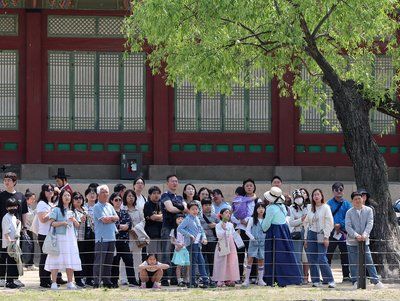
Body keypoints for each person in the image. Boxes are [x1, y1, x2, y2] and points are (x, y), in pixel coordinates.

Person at [262, 187, 302, 287]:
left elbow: (265, 226)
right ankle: (287, 278)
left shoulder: (270, 208)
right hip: (284, 232)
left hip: (274, 232)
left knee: (273, 256)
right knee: (284, 255)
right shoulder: (283, 207)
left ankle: (272, 279)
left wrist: (262, 225)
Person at [345, 191, 384, 289]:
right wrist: (356, 235)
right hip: (352, 241)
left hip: (364, 240)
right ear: (352, 201)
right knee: (353, 262)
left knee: (369, 261)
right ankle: (355, 281)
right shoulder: (349, 212)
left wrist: (365, 235)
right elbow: (348, 226)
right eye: (355, 199)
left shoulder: (369, 210)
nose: (358, 201)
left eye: (359, 198)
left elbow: (370, 223)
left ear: (362, 199)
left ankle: (375, 281)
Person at [44, 190, 81, 290]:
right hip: (59, 238)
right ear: (61, 197)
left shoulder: (73, 211)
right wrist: (62, 223)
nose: (67, 197)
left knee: (70, 259)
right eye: (65, 195)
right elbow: (51, 223)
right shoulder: (56, 210)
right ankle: (54, 282)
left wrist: (73, 220)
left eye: (69, 195)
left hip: (71, 238)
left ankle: (70, 282)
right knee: (55, 259)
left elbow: (78, 225)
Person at [0, 172, 28, 287]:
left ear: (14, 182)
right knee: (2, 254)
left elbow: (24, 213)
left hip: (16, 232)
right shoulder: (1, 196)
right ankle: (1, 278)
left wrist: (24, 227)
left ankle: (13, 279)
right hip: (2, 231)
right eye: (5, 180)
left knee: (15, 254)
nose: (6, 182)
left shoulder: (21, 196)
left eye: (9, 180)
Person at [303, 188, 335, 288]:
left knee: (322, 258)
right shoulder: (310, 208)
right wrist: (305, 238)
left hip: (322, 234)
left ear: (321, 196)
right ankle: (315, 280)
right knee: (312, 258)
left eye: (318, 194)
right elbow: (306, 223)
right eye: (314, 195)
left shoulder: (326, 207)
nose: (316, 196)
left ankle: (330, 280)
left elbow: (329, 223)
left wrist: (326, 237)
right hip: (311, 234)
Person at [159, 175, 186, 286]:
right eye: (172, 181)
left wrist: (176, 206)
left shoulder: (179, 197)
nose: (175, 183)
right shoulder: (165, 195)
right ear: (167, 183)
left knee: (177, 253)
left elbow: (185, 209)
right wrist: (179, 207)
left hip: (178, 230)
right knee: (166, 253)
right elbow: (170, 209)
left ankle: (175, 278)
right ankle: (165, 278)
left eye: (176, 181)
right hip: (167, 228)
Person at [92, 185, 119, 288]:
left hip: (112, 237)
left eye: (107, 192)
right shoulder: (97, 206)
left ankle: (107, 280)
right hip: (101, 238)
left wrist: (111, 218)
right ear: (98, 194)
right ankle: (96, 281)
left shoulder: (110, 206)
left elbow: (117, 217)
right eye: (103, 192)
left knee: (109, 260)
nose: (105, 194)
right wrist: (112, 218)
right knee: (100, 260)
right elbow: (104, 220)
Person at [177, 202, 209, 288]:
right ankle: (193, 282)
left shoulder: (197, 218)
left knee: (201, 261)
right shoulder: (187, 219)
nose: (195, 211)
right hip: (191, 244)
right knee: (194, 263)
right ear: (188, 210)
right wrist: (189, 235)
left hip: (198, 243)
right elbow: (179, 228)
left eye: (196, 209)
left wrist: (204, 238)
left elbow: (201, 230)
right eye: (192, 209)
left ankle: (204, 280)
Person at [110, 192, 138, 287]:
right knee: (115, 262)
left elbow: (129, 224)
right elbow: (111, 225)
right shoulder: (110, 212)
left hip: (124, 241)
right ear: (112, 201)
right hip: (114, 241)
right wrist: (121, 226)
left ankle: (132, 281)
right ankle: (114, 282)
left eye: (120, 200)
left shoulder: (124, 212)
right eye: (116, 200)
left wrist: (124, 226)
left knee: (129, 260)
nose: (118, 202)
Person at [231, 178, 256, 281]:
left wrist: (248, 221)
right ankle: (238, 276)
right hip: (240, 230)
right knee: (239, 253)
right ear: (244, 187)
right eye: (247, 186)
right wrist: (240, 221)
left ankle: (253, 277)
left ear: (254, 187)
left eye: (251, 185)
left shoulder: (257, 200)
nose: (249, 187)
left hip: (252, 230)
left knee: (252, 253)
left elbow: (260, 214)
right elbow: (231, 215)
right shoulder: (238, 199)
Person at [326, 182, 352, 282]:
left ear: (343, 191)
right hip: (332, 233)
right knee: (328, 254)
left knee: (345, 254)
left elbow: (349, 218)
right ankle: (327, 276)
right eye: (336, 190)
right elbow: (327, 217)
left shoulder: (347, 204)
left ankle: (346, 276)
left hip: (343, 233)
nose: (339, 192)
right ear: (333, 191)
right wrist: (334, 225)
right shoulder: (328, 204)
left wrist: (340, 224)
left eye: (340, 189)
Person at [212, 208, 240, 287]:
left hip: (231, 244)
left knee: (231, 261)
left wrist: (237, 236)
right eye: (226, 212)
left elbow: (233, 234)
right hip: (223, 243)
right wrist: (224, 229)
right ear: (221, 215)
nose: (228, 214)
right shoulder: (218, 225)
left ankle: (230, 279)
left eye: (229, 213)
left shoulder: (230, 224)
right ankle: (220, 279)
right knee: (222, 261)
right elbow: (218, 235)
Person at [124, 189, 145, 282]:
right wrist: (129, 228)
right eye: (129, 196)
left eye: (132, 196)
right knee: (125, 259)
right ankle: (124, 279)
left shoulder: (139, 210)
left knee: (137, 257)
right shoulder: (123, 209)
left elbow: (143, 221)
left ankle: (137, 278)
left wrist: (135, 229)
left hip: (137, 237)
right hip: (126, 237)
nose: (131, 198)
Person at [243, 202, 267, 287]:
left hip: (263, 243)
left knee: (261, 260)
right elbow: (247, 231)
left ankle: (260, 279)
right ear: (256, 209)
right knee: (250, 260)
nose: (261, 209)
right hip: (253, 242)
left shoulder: (266, 219)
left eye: (263, 208)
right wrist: (252, 238)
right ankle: (246, 280)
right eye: (259, 208)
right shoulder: (252, 219)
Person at [1, 198, 22, 288]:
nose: (13, 208)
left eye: (14, 206)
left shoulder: (14, 217)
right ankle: (9, 282)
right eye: (10, 206)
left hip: (14, 244)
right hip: (9, 245)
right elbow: (6, 232)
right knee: (10, 263)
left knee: (14, 263)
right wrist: (10, 241)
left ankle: (12, 280)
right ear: (6, 208)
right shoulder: (6, 217)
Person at [289, 189, 308, 282]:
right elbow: (291, 223)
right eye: (296, 197)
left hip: (307, 233)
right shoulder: (291, 208)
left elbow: (310, 220)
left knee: (306, 257)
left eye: (300, 197)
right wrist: (301, 219)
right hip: (297, 234)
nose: (298, 199)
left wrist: (300, 220)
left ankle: (306, 277)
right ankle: (298, 277)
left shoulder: (308, 207)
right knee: (297, 256)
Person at [199, 197, 219, 280]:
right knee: (201, 259)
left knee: (212, 259)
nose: (208, 206)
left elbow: (222, 226)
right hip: (201, 241)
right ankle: (202, 276)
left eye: (209, 205)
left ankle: (212, 276)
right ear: (202, 206)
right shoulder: (198, 216)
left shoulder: (215, 216)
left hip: (212, 240)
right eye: (205, 205)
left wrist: (216, 225)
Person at [81, 186, 97, 287]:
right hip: (84, 234)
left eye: (94, 193)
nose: (92, 195)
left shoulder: (98, 206)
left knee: (93, 257)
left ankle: (91, 278)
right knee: (84, 256)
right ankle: (84, 277)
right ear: (86, 196)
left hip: (96, 234)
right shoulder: (83, 207)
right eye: (90, 193)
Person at [71, 192, 87, 287]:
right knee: (78, 259)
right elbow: (75, 225)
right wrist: (81, 219)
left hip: (87, 238)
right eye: (76, 198)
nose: (78, 199)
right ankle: (78, 279)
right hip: (77, 238)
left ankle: (86, 278)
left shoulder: (85, 209)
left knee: (85, 259)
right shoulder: (72, 211)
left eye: (80, 197)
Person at [170, 214, 190, 287]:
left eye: (182, 218)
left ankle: (186, 279)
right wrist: (177, 244)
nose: (180, 220)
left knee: (187, 265)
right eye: (178, 219)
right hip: (178, 250)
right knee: (179, 266)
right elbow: (172, 241)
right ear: (175, 221)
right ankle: (179, 280)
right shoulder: (173, 230)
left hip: (186, 249)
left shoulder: (187, 229)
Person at [143, 186, 163, 254]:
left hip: (161, 233)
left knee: (160, 255)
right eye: (154, 193)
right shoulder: (147, 204)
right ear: (149, 195)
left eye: (158, 193)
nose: (156, 195)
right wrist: (162, 216)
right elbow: (153, 217)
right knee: (152, 255)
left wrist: (157, 217)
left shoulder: (161, 204)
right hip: (151, 234)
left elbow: (164, 218)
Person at [24, 189, 36, 270]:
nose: (33, 200)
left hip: (30, 229)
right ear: (27, 199)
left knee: (31, 246)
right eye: (32, 199)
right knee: (28, 246)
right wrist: (36, 212)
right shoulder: (24, 206)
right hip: (25, 229)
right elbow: (29, 217)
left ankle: (30, 264)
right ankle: (28, 264)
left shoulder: (29, 207)